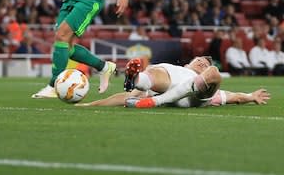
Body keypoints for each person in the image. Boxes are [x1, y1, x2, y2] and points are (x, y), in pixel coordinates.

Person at [77, 57, 270, 108]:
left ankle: (155, 99)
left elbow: (234, 97)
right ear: (189, 63)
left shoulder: (204, 74)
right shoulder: (176, 68)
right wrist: (89, 104)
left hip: (196, 96)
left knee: (214, 73)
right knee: (156, 72)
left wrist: (251, 97)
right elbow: (124, 98)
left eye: (204, 62)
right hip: (168, 84)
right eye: (200, 60)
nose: (203, 61)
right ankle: (136, 79)